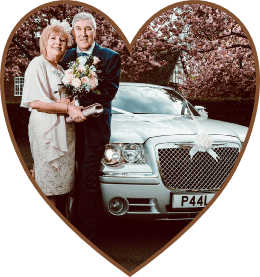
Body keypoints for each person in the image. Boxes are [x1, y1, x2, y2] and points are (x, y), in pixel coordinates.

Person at [59, 12, 121, 241]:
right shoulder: (63, 58)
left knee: (87, 178)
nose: (83, 33)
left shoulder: (110, 57)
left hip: (95, 129)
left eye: (88, 29)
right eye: (78, 29)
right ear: (73, 32)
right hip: (65, 128)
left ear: (95, 31)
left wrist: (78, 106)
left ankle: (88, 236)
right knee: (67, 177)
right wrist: (68, 108)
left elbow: (108, 92)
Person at [20, 22, 86, 214]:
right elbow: (36, 102)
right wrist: (67, 107)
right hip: (46, 131)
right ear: (44, 41)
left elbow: (59, 100)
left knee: (62, 184)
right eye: (53, 38)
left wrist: (71, 104)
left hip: (65, 131)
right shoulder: (37, 64)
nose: (58, 42)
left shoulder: (61, 69)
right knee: (48, 185)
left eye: (63, 40)